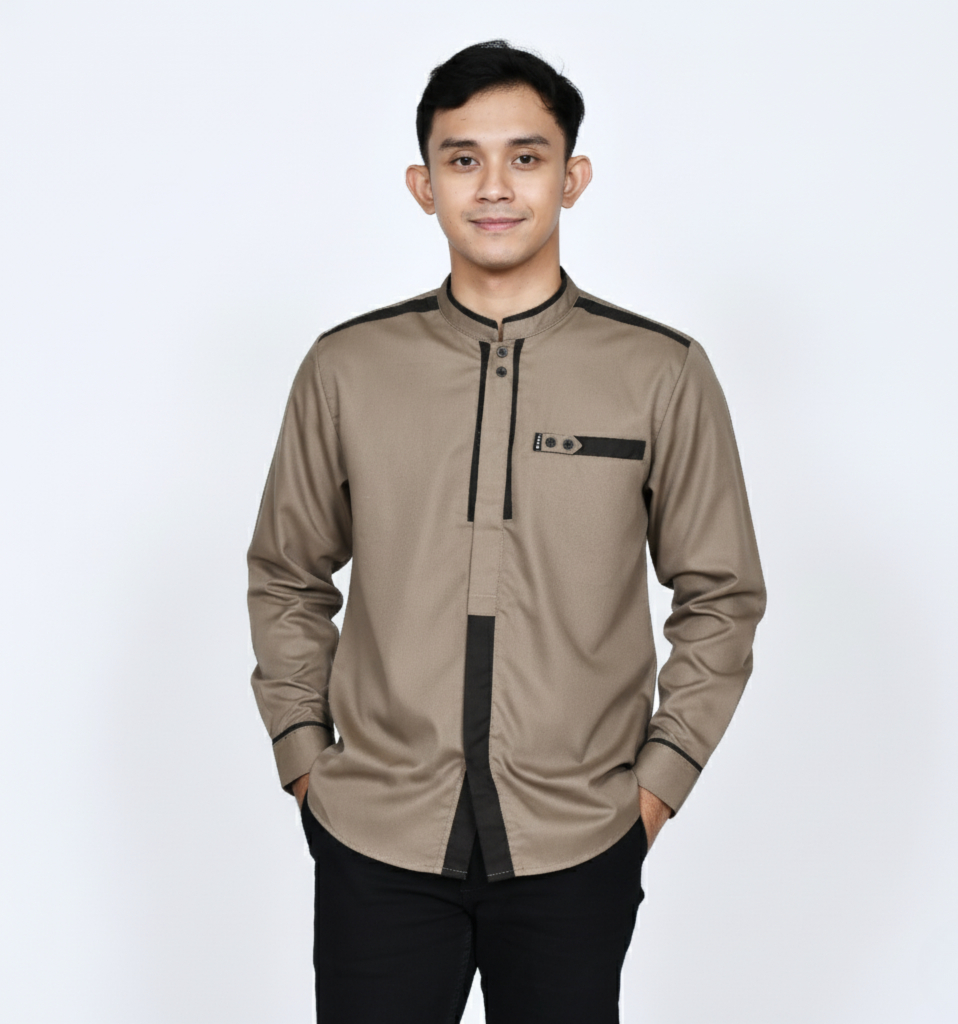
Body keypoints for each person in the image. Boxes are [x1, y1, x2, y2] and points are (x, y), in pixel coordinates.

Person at [247, 39, 766, 1024]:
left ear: (572, 177)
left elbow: (722, 595)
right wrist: (305, 758)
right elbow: (286, 573)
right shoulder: (346, 368)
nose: (494, 186)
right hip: (376, 838)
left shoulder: (660, 372)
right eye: (463, 158)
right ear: (423, 184)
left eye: (526, 157)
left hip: (578, 840)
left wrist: (655, 788)